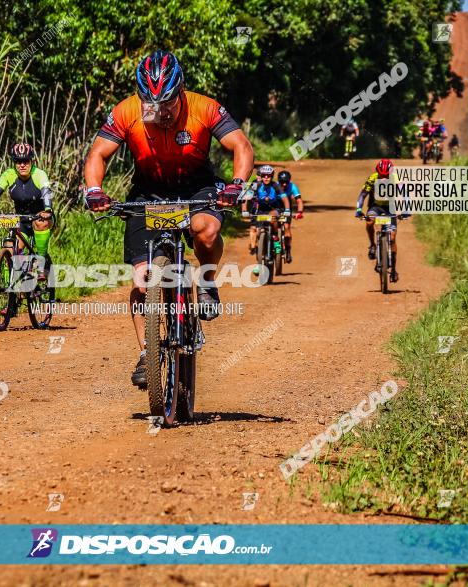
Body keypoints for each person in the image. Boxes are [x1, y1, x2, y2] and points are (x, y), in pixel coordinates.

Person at [82, 49, 254, 388]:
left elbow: (241, 146)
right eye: (151, 103)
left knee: (206, 230)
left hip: (197, 187)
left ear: (181, 92)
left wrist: (236, 185)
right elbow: (97, 154)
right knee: (142, 280)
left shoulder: (204, 108)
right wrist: (94, 190)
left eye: (168, 103)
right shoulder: (127, 111)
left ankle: (205, 281)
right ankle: (148, 352)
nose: (160, 111)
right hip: (147, 193)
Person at [0, 142, 54, 261]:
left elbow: (46, 193)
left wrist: (48, 210)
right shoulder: (9, 174)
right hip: (20, 219)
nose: (22, 165)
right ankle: (5, 277)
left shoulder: (39, 174)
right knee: (9, 247)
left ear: (32, 161)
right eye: (18, 161)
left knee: (40, 222)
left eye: (26, 161)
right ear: (14, 163)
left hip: (40, 217)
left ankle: (41, 260)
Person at [355, 159, 405, 283]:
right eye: (381, 176)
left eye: (386, 176)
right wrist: (359, 209)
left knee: (392, 239)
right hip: (375, 206)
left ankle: (393, 270)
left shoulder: (396, 178)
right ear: (377, 172)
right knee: (369, 222)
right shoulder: (372, 178)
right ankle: (372, 245)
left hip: (390, 208)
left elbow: (405, 194)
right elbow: (362, 195)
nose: (383, 178)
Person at [242, 164, 290, 262]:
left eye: (269, 175)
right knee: (258, 230)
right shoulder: (256, 185)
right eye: (264, 175)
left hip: (275, 208)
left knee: (272, 218)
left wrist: (287, 210)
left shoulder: (276, 185)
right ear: (261, 176)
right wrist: (244, 210)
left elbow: (285, 198)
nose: (266, 177)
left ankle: (276, 237)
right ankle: (261, 248)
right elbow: (245, 197)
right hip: (262, 209)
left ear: (272, 176)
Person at [275, 170, 304, 263]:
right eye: (281, 182)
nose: (284, 184)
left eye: (286, 182)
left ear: (289, 181)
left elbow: (299, 200)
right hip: (274, 206)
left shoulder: (293, 186)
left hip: (286, 208)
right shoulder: (274, 186)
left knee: (286, 227)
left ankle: (287, 249)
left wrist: (299, 212)